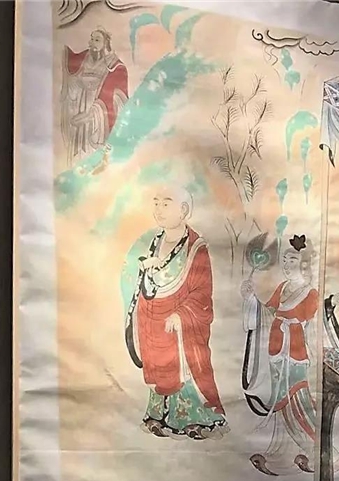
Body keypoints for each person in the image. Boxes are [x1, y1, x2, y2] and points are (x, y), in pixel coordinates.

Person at [123, 186, 228, 439]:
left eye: (166, 203)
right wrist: (144, 268)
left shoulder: (196, 248)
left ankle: (193, 418)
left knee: (185, 367)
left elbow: (201, 293)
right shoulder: (152, 241)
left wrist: (181, 315)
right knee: (159, 367)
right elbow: (135, 275)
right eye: (156, 203)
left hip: (180, 323)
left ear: (183, 210)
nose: (159, 209)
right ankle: (157, 415)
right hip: (153, 317)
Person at [241, 234, 319, 475]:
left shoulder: (311, 293)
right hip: (276, 350)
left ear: (304, 264)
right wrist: (251, 299)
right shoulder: (283, 288)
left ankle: (317, 451)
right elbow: (268, 311)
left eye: (292, 260)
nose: (286, 265)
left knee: (297, 400)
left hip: (294, 352)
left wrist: (291, 323)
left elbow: (310, 322)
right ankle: (282, 454)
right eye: (285, 260)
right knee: (280, 401)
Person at [61, 27, 128, 165]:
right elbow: (72, 64)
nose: (92, 43)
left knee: (95, 153)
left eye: (97, 40)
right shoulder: (86, 58)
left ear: (105, 43)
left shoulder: (114, 65)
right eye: (91, 39)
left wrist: (91, 115)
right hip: (82, 104)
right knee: (79, 151)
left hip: (98, 115)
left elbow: (112, 97)